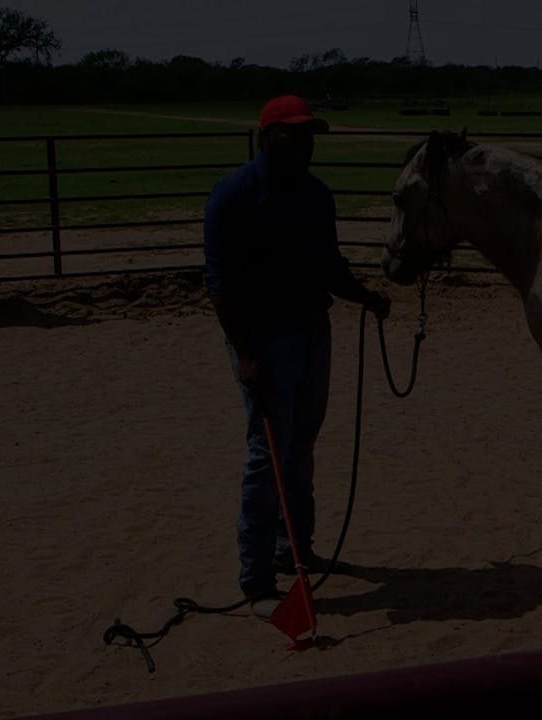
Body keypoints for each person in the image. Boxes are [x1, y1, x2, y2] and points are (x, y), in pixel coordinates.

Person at [203, 94, 390, 618]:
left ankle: (295, 548)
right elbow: (220, 284)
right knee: (268, 453)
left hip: (312, 331)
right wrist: (244, 354)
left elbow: (329, 265)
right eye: (294, 134)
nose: (305, 144)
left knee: (302, 444)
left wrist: (364, 296)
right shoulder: (233, 197)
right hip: (263, 339)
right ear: (267, 137)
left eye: (309, 135)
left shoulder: (316, 196)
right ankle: (256, 575)